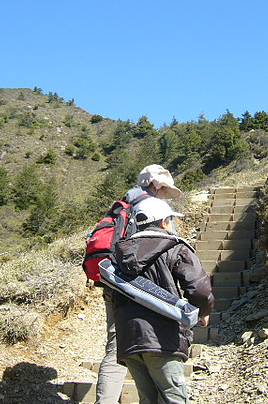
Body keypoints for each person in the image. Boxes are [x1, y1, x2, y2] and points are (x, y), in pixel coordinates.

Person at [113, 197, 214, 404]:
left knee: (148, 399)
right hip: (162, 338)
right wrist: (203, 312)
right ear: (163, 222)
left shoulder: (121, 253)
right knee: (173, 398)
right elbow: (200, 290)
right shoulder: (174, 248)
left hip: (129, 338)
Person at [95, 165, 183, 404]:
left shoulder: (121, 206)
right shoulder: (152, 209)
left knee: (116, 343)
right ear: (157, 185)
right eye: (165, 189)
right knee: (155, 344)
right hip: (146, 289)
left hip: (114, 285)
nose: (165, 195)